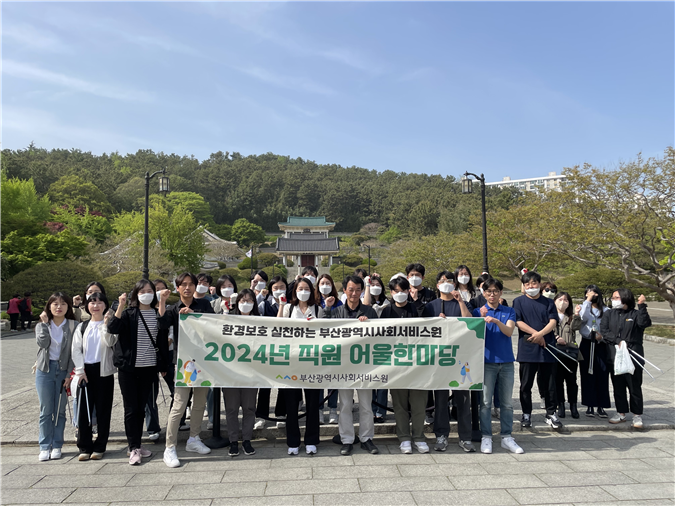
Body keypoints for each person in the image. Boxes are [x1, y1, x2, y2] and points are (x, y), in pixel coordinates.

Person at [108, 279, 170, 465]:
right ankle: (133, 447)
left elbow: (163, 334)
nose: (146, 293)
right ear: (136, 294)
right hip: (128, 368)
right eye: (142, 290)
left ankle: (137, 444)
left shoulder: (157, 313)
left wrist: (163, 366)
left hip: (149, 368)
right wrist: (120, 305)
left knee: (143, 407)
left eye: (150, 290)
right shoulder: (129, 313)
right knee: (130, 408)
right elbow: (112, 328)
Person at [158, 272, 215, 468]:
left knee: (200, 403)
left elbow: (213, 326)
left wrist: (196, 317)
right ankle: (170, 447)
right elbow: (161, 325)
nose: (188, 288)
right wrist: (162, 302)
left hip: (204, 360)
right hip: (183, 362)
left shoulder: (205, 305)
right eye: (184, 284)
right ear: (178, 288)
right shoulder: (174, 309)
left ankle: (194, 438)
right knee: (180, 403)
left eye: (191, 284)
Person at [322, 275, 380, 456]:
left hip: (364, 366)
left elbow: (379, 335)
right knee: (345, 405)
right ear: (344, 291)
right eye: (350, 289)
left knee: (366, 405)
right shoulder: (337, 311)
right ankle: (346, 439)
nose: (354, 293)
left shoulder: (369, 311)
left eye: (357, 290)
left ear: (362, 291)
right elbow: (321, 328)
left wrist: (367, 324)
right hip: (343, 366)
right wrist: (327, 308)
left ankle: (366, 438)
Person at [422, 271, 474, 452]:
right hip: (440, 360)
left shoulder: (463, 303)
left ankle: (465, 437)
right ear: (437, 285)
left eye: (449, 280)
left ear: (455, 284)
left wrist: (460, 301)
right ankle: (441, 435)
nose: (446, 283)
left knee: (463, 400)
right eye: (442, 281)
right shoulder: (431, 306)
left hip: (461, 359)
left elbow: (471, 322)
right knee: (441, 400)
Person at [472, 278, 524, 455]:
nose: (492, 294)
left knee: (507, 403)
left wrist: (494, 320)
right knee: (485, 402)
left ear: (501, 293)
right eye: (488, 291)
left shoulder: (509, 311)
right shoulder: (477, 311)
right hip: (486, 362)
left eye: (495, 291)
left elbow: (509, 332)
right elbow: (471, 333)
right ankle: (486, 436)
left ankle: (506, 436)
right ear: (483, 293)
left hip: (506, 362)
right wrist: (481, 317)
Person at [380, 276, 429, 454]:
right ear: (391, 293)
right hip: (396, 366)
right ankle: (404, 438)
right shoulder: (386, 311)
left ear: (409, 291)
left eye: (403, 290)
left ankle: (419, 437)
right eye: (395, 291)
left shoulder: (418, 309)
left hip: (418, 365)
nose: (399, 294)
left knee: (418, 405)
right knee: (399, 405)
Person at [278, 278, 322, 455]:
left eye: (306, 288)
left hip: (313, 363)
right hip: (291, 363)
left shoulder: (318, 309)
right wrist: (281, 306)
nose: (303, 291)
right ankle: (293, 441)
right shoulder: (289, 309)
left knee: (312, 404)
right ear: (294, 291)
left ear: (312, 291)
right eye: (300, 288)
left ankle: (311, 440)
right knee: (291, 405)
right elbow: (277, 327)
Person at [513, 271, 562, 430]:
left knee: (549, 384)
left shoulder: (548, 302)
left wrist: (541, 334)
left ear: (539, 284)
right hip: (527, 347)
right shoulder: (518, 301)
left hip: (547, 347)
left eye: (533, 283)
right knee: (525, 384)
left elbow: (553, 321)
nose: (531, 287)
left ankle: (551, 413)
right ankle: (526, 413)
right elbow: (518, 322)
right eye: (527, 284)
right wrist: (535, 335)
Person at [71, 292, 116, 460]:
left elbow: (110, 342)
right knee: (83, 410)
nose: (95, 306)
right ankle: (84, 446)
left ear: (105, 305)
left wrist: (105, 324)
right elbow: (75, 349)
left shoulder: (110, 324)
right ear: (87, 306)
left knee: (104, 410)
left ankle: (100, 446)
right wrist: (80, 371)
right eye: (91, 302)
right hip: (85, 371)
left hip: (104, 371)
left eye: (99, 302)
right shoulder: (82, 327)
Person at [35, 293, 77, 461]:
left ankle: (57, 444)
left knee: (60, 410)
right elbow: (43, 344)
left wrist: (69, 374)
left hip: (63, 370)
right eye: (55, 304)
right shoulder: (41, 326)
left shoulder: (74, 326)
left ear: (68, 307)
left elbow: (75, 353)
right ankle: (44, 446)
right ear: (49, 306)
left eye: (63, 304)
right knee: (46, 410)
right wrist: (45, 325)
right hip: (44, 370)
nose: (59, 307)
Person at [602, 289, 652, 429]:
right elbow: (604, 331)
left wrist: (642, 306)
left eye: (616, 297)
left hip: (633, 354)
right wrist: (617, 340)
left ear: (625, 298)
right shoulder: (609, 313)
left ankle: (637, 415)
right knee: (618, 386)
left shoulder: (635, 314)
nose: (614, 300)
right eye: (613, 297)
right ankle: (621, 413)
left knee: (634, 386)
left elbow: (644, 324)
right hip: (615, 355)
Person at [224, 288, 260, 457]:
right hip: (229, 372)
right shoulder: (228, 319)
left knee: (249, 408)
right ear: (237, 302)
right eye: (242, 300)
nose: (246, 304)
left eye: (249, 300)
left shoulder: (261, 322)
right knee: (231, 408)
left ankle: (246, 439)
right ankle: (233, 441)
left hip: (251, 373)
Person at [254, 275, 288, 430]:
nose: (279, 291)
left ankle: (281, 414)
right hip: (266, 349)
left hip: (284, 348)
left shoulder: (289, 306)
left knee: (284, 382)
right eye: (275, 288)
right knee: (264, 384)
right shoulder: (264, 304)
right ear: (270, 289)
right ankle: (261, 415)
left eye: (282, 287)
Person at [144, 279, 176, 441]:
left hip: (167, 355)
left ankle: (175, 420)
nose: (160, 292)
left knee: (176, 389)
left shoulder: (169, 311)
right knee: (150, 394)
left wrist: (163, 345)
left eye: (163, 289)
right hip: (148, 357)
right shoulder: (145, 311)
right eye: (156, 290)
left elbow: (171, 333)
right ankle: (152, 428)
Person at [577, 285, 610, 418]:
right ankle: (589, 405)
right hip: (586, 343)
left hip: (600, 344)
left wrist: (602, 336)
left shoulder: (606, 310)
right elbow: (582, 319)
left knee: (602, 374)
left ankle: (601, 405)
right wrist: (587, 301)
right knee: (587, 374)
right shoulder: (583, 307)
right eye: (589, 293)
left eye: (595, 292)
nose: (592, 295)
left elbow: (609, 327)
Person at [314, 274, 342, 424]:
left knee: (333, 380)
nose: (325, 285)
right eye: (322, 283)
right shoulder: (314, 303)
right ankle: (318, 410)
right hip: (317, 348)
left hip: (334, 346)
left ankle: (332, 409)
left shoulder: (339, 303)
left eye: (328, 283)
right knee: (319, 380)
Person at [362, 275, 389, 423]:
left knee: (383, 381)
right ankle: (371, 410)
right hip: (368, 345)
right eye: (373, 285)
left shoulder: (387, 303)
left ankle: (381, 411)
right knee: (371, 379)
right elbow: (366, 305)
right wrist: (367, 285)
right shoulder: (364, 303)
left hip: (383, 345)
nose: (375, 287)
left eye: (378, 284)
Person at [553, 291, 582, 419]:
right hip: (556, 352)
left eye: (565, 300)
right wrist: (556, 337)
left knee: (572, 381)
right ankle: (561, 405)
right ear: (554, 301)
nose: (562, 302)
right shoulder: (550, 316)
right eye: (560, 299)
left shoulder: (571, 317)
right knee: (558, 380)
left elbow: (576, 327)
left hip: (570, 352)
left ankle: (573, 406)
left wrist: (576, 314)